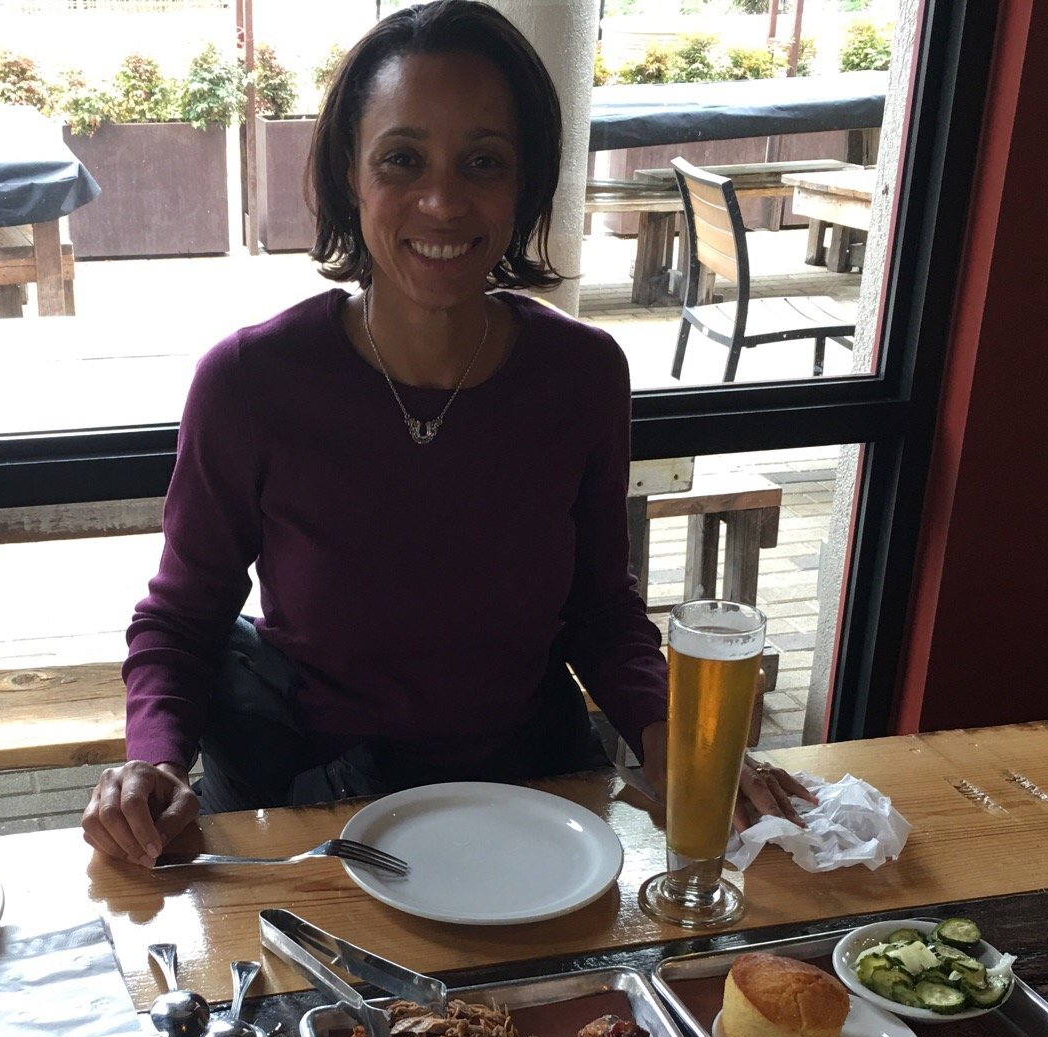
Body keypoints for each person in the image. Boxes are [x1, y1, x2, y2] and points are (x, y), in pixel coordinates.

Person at [83, 0, 808, 867]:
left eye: (483, 162)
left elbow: (599, 607)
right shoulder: (251, 382)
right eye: (402, 159)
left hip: (530, 788)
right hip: (320, 801)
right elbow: (182, 615)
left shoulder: (581, 374)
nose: (442, 200)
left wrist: (671, 736)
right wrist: (153, 758)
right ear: (349, 175)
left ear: (526, 183)